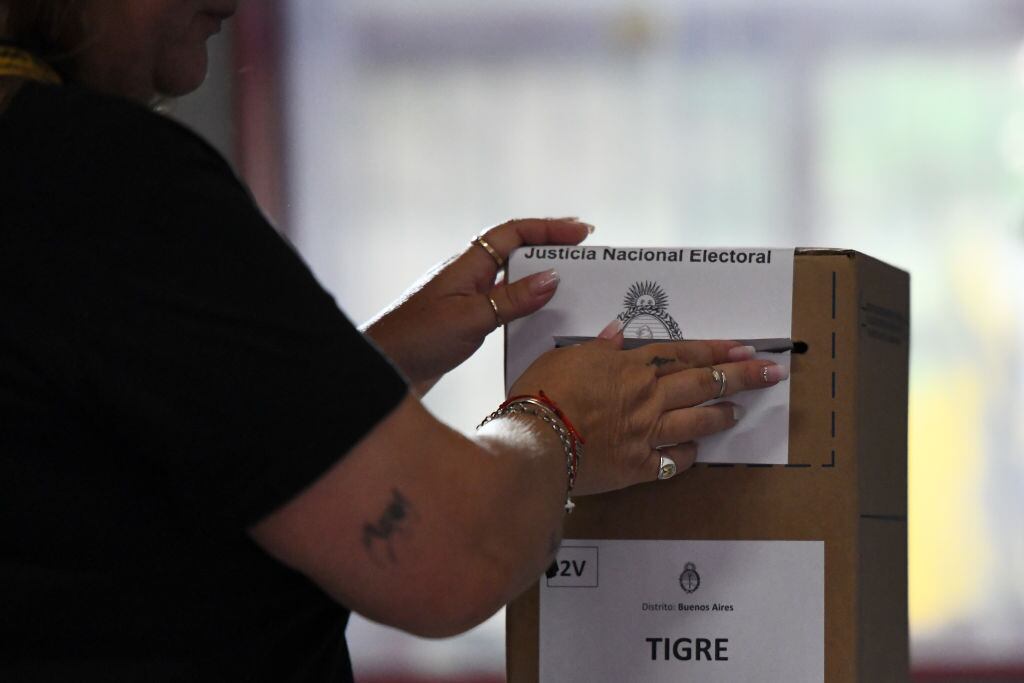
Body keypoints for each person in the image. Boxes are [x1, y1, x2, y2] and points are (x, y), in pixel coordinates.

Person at [0, 1, 787, 681]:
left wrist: (369, 370)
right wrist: (562, 424)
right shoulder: (89, 173)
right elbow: (453, 556)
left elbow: (121, 487)